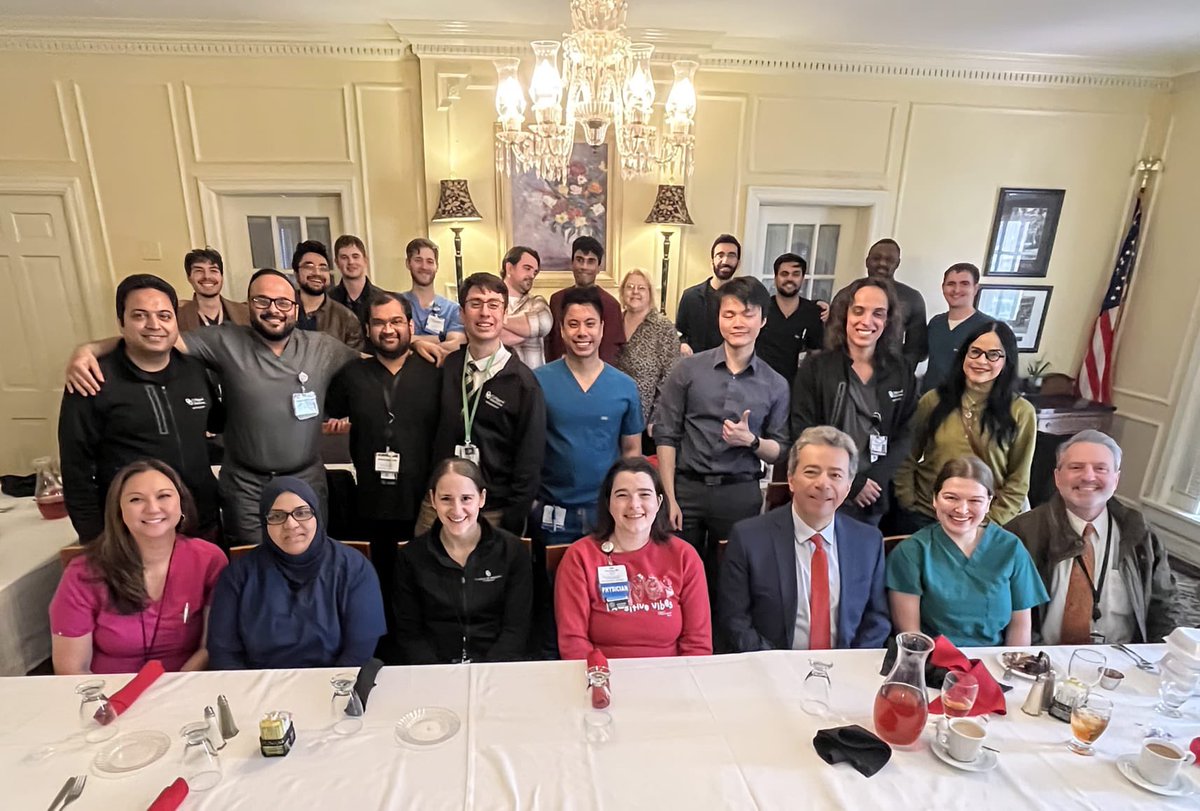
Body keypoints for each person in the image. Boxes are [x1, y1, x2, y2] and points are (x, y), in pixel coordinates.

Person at [65, 268, 364, 545]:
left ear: (296, 309)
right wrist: (88, 349)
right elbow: (157, 337)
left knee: (309, 558)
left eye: (283, 302)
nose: (273, 309)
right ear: (248, 305)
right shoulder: (223, 340)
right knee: (249, 565)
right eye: (262, 300)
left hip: (305, 478)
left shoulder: (323, 347)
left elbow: (374, 363)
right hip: (247, 485)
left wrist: (414, 343)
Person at [58, 274, 221, 543]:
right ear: (121, 322)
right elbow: (76, 470)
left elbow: (217, 423)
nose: (154, 325)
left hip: (201, 523)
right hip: (132, 532)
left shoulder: (194, 370)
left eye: (164, 316)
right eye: (140, 315)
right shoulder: (93, 377)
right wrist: (94, 539)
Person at [654, 276, 790, 598]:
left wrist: (752, 442)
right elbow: (666, 435)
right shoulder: (687, 370)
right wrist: (670, 498)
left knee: (731, 580)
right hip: (686, 488)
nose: (737, 322)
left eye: (747, 314)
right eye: (729, 314)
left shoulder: (775, 384)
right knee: (674, 574)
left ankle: (722, 644)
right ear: (719, 319)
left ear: (763, 320)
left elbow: (780, 449)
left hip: (738, 492)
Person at [325, 291, 441, 641]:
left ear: (410, 325)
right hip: (372, 502)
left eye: (395, 322)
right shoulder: (351, 374)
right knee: (380, 583)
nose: (387, 330)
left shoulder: (435, 370)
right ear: (367, 328)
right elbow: (331, 413)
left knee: (425, 583)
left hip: (425, 501)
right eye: (378, 323)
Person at [720, 426, 891, 652]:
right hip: (772, 669)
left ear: (848, 486)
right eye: (811, 472)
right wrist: (780, 667)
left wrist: (848, 666)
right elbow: (735, 621)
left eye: (835, 475)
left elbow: (877, 619)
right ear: (791, 479)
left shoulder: (868, 542)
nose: (823, 483)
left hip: (844, 670)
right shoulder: (748, 538)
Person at [49, 460, 227, 674]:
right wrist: (108, 705)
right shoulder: (84, 572)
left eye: (164, 496)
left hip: (185, 686)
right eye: (136, 500)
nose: (152, 508)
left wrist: (174, 689)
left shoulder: (209, 560)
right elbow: (71, 668)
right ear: (119, 511)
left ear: (181, 503)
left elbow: (210, 646)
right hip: (109, 695)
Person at [1006, 430, 1175, 645]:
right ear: (1057, 477)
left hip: (1121, 661)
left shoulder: (1139, 534)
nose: (1088, 476)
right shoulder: (1022, 533)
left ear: (1116, 479)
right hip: (1042, 659)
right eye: (1076, 467)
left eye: (1100, 468)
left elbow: (1164, 607)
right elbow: (1003, 610)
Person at [207, 476, 386, 669]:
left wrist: (331, 692)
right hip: (259, 687)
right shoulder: (239, 575)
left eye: (301, 513)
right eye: (277, 516)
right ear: (264, 522)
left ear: (317, 514)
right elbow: (223, 651)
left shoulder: (353, 567)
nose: (291, 524)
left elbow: (360, 648)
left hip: (334, 683)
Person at [424, 272, 546, 535]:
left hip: (494, 511)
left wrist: (512, 520)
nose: (485, 313)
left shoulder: (524, 383)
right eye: (475, 303)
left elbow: (530, 461)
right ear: (461, 313)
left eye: (493, 305)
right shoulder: (446, 368)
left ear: (503, 314)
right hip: (440, 507)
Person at [790, 277, 917, 526]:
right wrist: (852, 481)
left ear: (888, 320)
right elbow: (802, 429)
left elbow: (907, 433)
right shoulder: (816, 366)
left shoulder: (901, 371)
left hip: (872, 496)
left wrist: (874, 480)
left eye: (878, 313)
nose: (867, 321)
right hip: (822, 489)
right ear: (845, 314)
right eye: (859, 311)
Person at [555, 457, 712, 659]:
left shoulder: (685, 556)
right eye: (622, 495)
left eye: (644, 495)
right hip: (603, 677)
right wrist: (600, 682)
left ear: (659, 502)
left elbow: (698, 643)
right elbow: (573, 642)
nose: (634, 505)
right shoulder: (580, 557)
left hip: (670, 677)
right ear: (608, 503)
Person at [887, 456, 1048, 647]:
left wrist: (1012, 672)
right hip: (934, 665)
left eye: (975, 500)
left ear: (988, 503)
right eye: (951, 498)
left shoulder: (1011, 548)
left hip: (995, 665)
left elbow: (1020, 628)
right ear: (935, 499)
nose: (962, 510)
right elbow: (910, 636)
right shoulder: (911, 552)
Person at [893, 320, 1036, 531]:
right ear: (963, 356)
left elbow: (1018, 480)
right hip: (926, 515)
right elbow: (906, 454)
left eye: (993, 354)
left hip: (982, 521)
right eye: (975, 352)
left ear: (1007, 361)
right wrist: (908, 500)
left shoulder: (1021, 412)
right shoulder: (934, 400)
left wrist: (991, 521)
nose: (981, 360)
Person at [533, 285, 643, 547]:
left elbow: (632, 450)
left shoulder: (624, 386)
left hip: (605, 511)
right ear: (561, 329)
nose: (582, 332)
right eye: (573, 324)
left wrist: (627, 502)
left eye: (590, 323)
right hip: (552, 511)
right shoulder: (538, 382)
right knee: (552, 583)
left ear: (602, 328)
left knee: (604, 583)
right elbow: (527, 447)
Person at [393, 459, 532, 664]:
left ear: (481, 498)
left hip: (498, 667)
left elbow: (516, 629)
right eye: (446, 499)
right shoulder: (411, 557)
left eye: (466, 498)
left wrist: (488, 671)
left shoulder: (512, 551)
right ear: (433, 499)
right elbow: (410, 634)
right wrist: (438, 673)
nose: (457, 510)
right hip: (434, 671)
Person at [830, 239, 927, 369]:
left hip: (892, 373)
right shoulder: (846, 294)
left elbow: (916, 348)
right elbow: (831, 337)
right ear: (867, 261)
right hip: (845, 370)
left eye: (889, 260)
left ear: (897, 263)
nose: (882, 263)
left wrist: (901, 374)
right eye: (876, 258)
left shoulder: (912, 298)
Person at [614, 268, 681, 455]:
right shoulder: (613, 321)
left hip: (645, 420)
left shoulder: (663, 327)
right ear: (622, 292)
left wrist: (656, 417)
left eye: (641, 288)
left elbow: (671, 377)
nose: (635, 292)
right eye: (630, 287)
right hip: (613, 414)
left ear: (650, 293)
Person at [545, 236, 626, 364]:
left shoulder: (611, 305)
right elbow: (551, 345)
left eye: (591, 261)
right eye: (580, 260)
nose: (584, 267)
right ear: (572, 263)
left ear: (599, 267)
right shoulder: (557, 300)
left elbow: (612, 352)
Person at [755, 252, 824, 387]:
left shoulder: (812, 312)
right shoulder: (761, 309)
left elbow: (816, 353)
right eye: (784, 274)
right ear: (775, 278)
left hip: (797, 388)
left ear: (803, 278)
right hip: (761, 384)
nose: (790, 279)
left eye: (796, 274)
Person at [922, 263, 991, 393]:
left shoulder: (989, 328)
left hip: (967, 404)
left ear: (975, 289)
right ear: (943, 288)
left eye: (964, 284)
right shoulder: (936, 323)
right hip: (929, 401)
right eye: (951, 284)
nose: (956, 290)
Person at [400, 237, 467, 362]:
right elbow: (392, 341)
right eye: (418, 260)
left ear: (437, 266)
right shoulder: (396, 304)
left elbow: (456, 344)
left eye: (430, 261)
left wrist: (412, 341)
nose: (424, 266)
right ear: (408, 263)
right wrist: (439, 338)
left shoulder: (452, 309)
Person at [676, 234, 741, 355]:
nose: (725, 261)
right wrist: (683, 344)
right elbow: (679, 332)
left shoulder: (744, 299)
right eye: (720, 255)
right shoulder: (690, 297)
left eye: (731, 255)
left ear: (738, 262)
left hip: (731, 368)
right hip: (696, 366)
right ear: (712, 261)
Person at [293, 240, 365, 350]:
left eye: (323, 268)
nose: (317, 273)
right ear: (296, 274)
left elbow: (354, 363)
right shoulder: (282, 311)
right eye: (309, 267)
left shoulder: (346, 319)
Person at [499, 245, 552, 369]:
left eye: (535, 272)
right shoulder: (490, 302)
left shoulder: (537, 302)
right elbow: (482, 337)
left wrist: (496, 322)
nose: (532, 275)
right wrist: (527, 332)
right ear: (509, 268)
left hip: (533, 382)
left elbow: (543, 324)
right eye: (527, 268)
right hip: (498, 382)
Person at [176, 247, 249, 331]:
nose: (207, 276)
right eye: (199, 271)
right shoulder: (178, 317)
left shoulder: (246, 312)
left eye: (213, 270)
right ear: (189, 278)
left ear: (221, 277)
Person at [330, 234, 388, 326]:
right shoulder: (328, 301)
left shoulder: (383, 300)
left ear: (365, 260)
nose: (351, 262)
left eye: (355, 256)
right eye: (344, 257)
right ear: (337, 262)